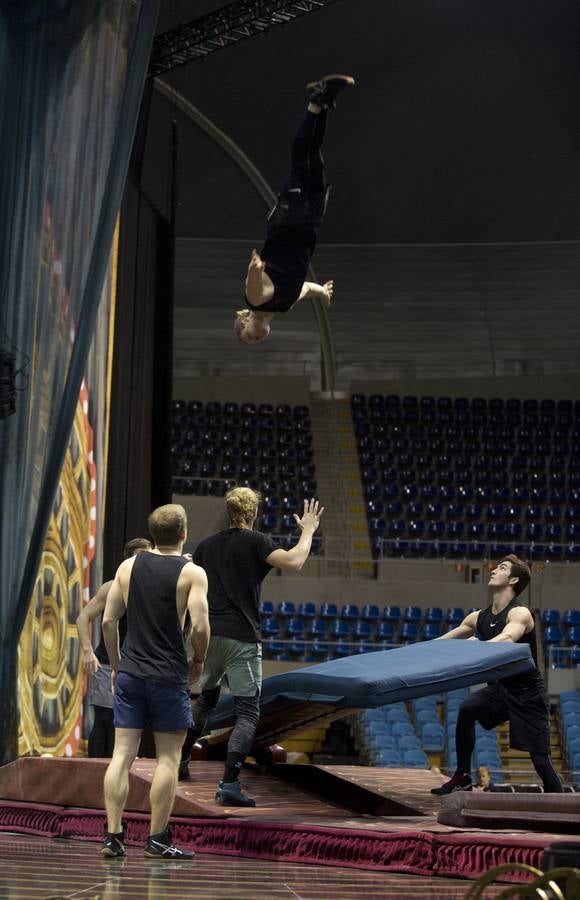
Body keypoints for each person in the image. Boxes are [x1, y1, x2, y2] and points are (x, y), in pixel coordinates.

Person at [179, 488, 324, 806]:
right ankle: (229, 783)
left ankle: (180, 762)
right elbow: (295, 562)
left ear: (228, 512)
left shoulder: (206, 546)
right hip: (242, 638)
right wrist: (309, 530)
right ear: (254, 512)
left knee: (206, 700)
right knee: (247, 712)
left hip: (211, 633)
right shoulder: (258, 541)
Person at [101, 504, 210, 860]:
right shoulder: (192, 573)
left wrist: (117, 666)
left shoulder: (128, 567)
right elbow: (201, 626)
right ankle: (157, 839)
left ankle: (113, 837)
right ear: (184, 533)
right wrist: (199, 660)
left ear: (153, 533)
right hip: (167, 676)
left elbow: (107, 622)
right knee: (167, 759)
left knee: (121, 757)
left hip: (132, 673)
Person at [235, 74, 355, 344]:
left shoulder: (257, 301)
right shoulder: (283, 305)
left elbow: (253, 285)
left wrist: (255, 269)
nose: (257, 339)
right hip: (307, 225)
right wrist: (322, 292)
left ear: (245, 321)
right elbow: (304, 288)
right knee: (314, 162)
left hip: (289, 223)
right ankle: (323, 103)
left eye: (250, 338)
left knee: (303, 160)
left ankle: (316, 102)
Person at [431, 555, 562, 796]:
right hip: (500, 690)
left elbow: (508, 638)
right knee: (467, 709)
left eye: (501, 568)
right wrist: (417, 652)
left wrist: (476, 647)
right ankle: (462, 776)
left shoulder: (520, 614)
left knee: (541, 763)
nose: (493, 570)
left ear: (513, 579)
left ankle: (564, 809)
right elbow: (441, 642)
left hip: (528, 695)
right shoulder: (478, 617)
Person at [76, 538, 152, 757]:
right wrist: (87, 650)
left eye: (147, 555)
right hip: (109, 662)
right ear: (127, 559)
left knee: (132, 723)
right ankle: (93, 774)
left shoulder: (153, 587)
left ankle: (125, 771)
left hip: (139, 665)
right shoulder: (112, 587)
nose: (143, 560)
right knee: (104, 720)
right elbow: (83, 618)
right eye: (139, 555)